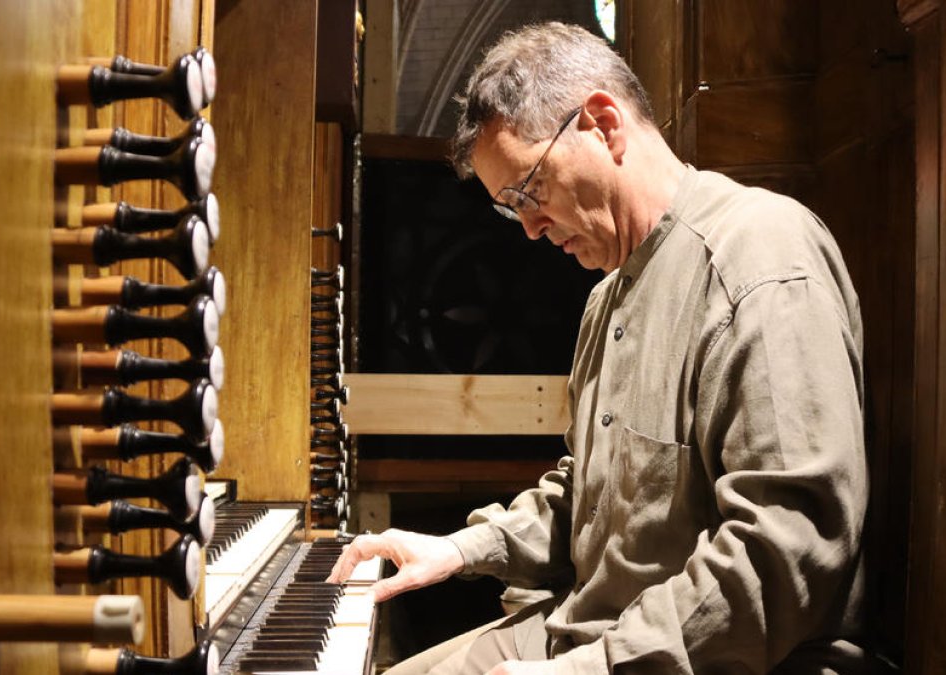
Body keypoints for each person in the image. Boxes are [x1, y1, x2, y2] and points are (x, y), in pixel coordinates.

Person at [329, 22, 870, 674]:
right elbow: (585, 498)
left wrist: (586, 669)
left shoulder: (760, 255)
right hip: (581, 629)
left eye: (529, 191)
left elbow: (787, 550)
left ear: (603, 124)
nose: (529, 228)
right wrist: (461, 548)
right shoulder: (605, 299)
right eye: (510, 208)